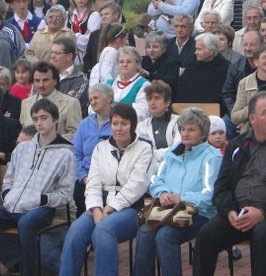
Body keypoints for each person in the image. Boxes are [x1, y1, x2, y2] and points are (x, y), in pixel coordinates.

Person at [192, 91, 266, 276]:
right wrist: (229, 211)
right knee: (207, 234)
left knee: (263, 235)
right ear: (252, 119)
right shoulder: (236, 146)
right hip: (239, 214)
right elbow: (221, 187)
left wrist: (263, 213)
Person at [0, 99, 76, 276]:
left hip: (41, 208)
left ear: (55, 119)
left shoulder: (66, 154)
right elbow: (9, 179)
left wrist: (41, 198)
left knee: (26, 224)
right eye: (35, 118)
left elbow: (65, 194)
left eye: (44, 118)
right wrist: (8, 193)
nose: (39, 123)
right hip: (13, 205)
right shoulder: (22, 149)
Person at [60, 103, 153, 276]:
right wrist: (95, 209)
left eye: (124, 123)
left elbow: (136, 186)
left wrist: (109, 209)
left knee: (103, 230)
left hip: (131, 207)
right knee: (75, 232)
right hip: (100, 204)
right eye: (115, 123)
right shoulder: (100, 148)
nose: (119, 128)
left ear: (132, 125)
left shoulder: (144, 148)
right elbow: (93, 183)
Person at [134, 107, 223, 276]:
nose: (185, 133)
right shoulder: (172, 152)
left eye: (191, 129)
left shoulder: (212, 157)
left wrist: (180, 198)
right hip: (168, 210)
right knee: (144, 233)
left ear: (203, 133)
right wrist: (162, 193)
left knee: (165, 236)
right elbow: (155, 179)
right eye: (182, 129)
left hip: (200, 213)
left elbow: (210, 196)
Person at [71, 83, 114, 218]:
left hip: (109, 178)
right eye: (90, 99)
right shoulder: (85, 123)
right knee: (77, 192)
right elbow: (75, 154)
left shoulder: (118, 122)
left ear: (109, 98)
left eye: (96, 98)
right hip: (86, 177)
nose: (92, 102)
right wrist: (83, 177)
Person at [19, 61, 82, 140]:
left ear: (55, 81)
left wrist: (49, 140)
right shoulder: (25, 103)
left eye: (45, 80)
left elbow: (76, 134)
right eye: (37, 81)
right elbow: (22, 131)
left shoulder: (71, 103)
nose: (41, 85)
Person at [175, 33, 230, 109]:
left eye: (199, 49)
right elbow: (183, 90)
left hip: (214, 111)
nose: (196, 52)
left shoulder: (226, 68)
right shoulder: (191, 63)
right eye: (196, 49)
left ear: (211, 51)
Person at [136, 80, 180, 172]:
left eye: (157, 98)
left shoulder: (178, 122)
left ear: (167, 102)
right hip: (150, 170)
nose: (152, 102)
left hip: (175, 167)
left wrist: (152, 154)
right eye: (149, 99)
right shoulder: (141, 126)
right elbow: (139, 151)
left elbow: (178, 147)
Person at [108, 46, 151, 121]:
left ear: (138, 65)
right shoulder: (109, 84)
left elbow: (142, 113)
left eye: (129, 62)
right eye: (121, 62)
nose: (124, 64)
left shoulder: (144, 85)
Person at [66, 0, 100, 66]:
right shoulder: (68, 14)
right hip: (68, 57)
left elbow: (90, 41)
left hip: (86, 58)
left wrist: (71, 35)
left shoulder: (94, 15)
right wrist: (82, 36)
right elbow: (62, 37)